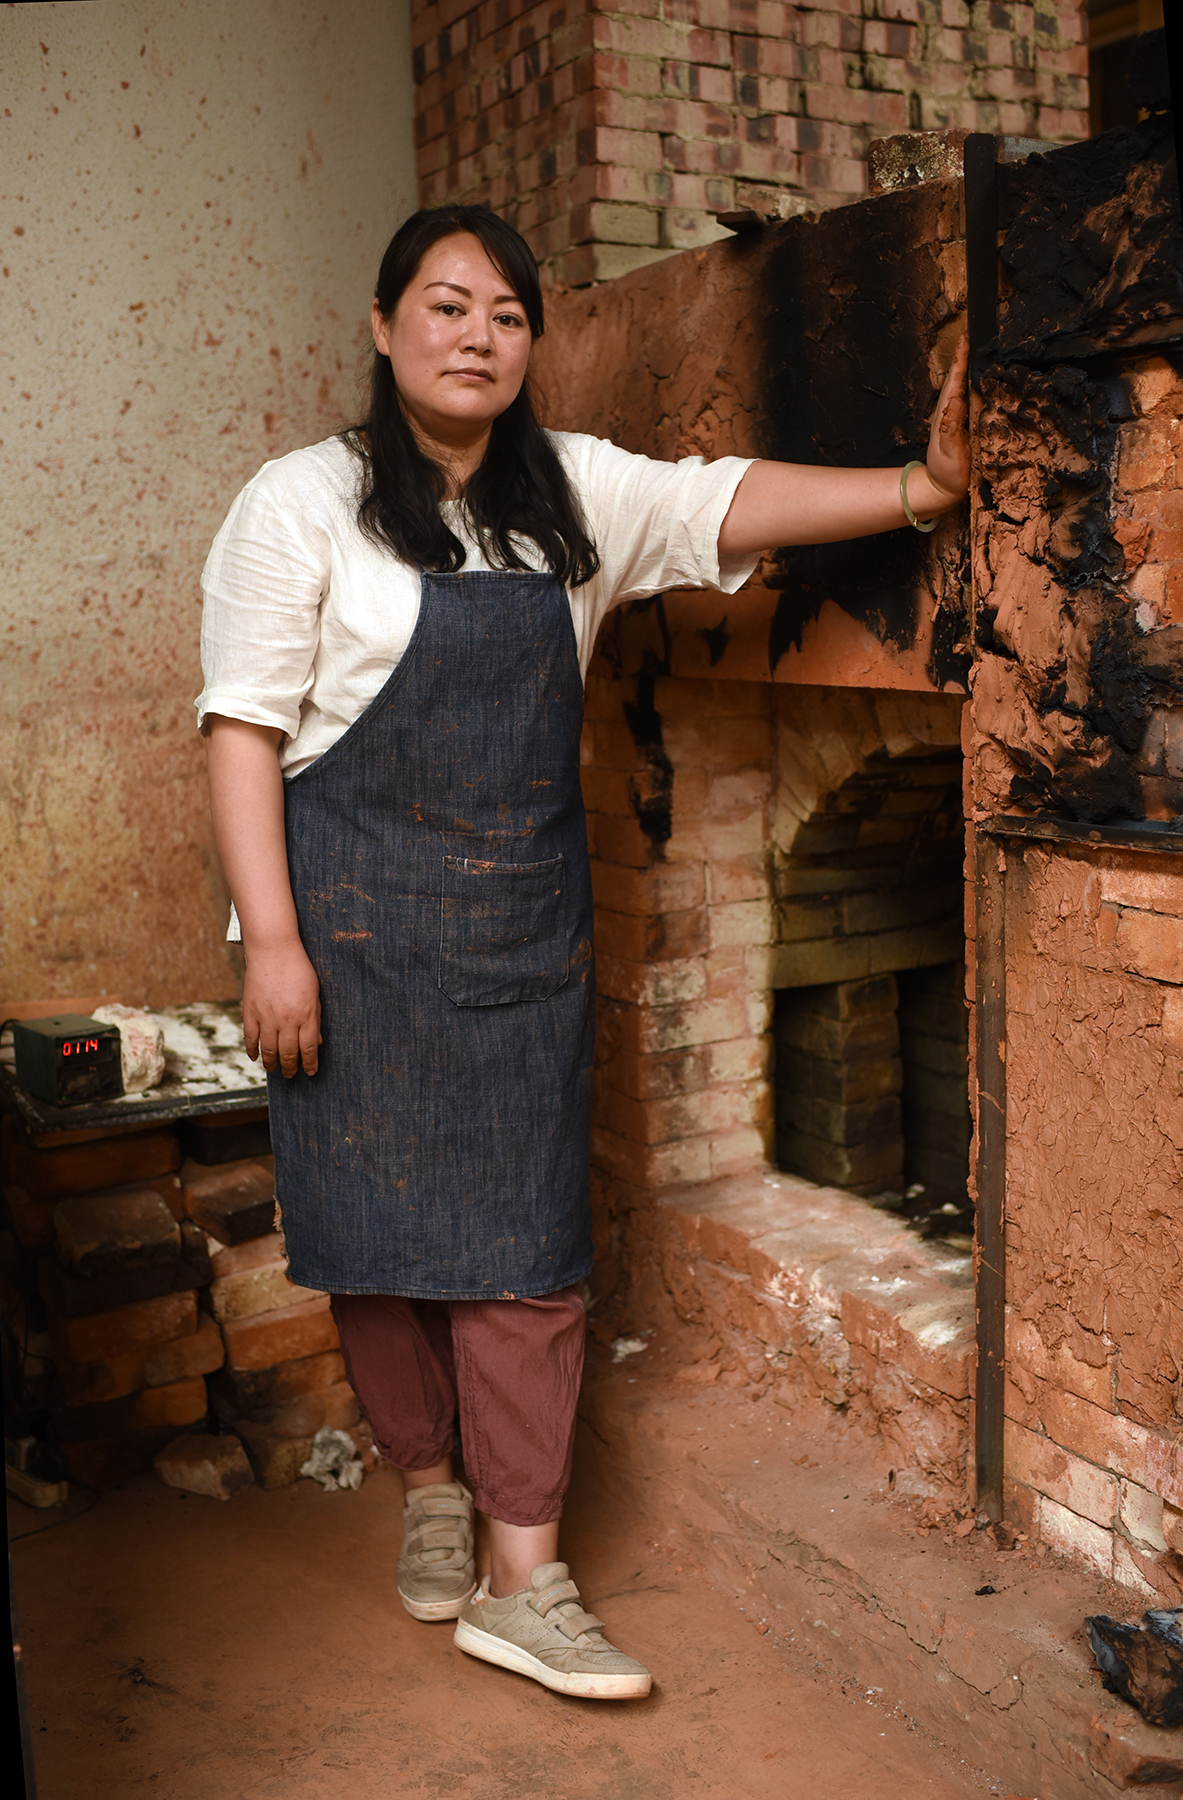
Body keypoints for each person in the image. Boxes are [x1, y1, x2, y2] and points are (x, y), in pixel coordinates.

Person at [199, 204, 969, 1702]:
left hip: (517, 931)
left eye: (506, 313)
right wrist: (274, 946)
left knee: (527, 1259)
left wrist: (921, 487)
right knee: (373, 1236)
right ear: (382, 326)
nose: (479, 335)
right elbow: (242, 735)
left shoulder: (576, 497)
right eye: (447, 304)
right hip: (347, 925)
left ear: (530, 344)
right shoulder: (299, 503)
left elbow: (730, 502)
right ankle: (430, 1481)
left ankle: (523, 1574)